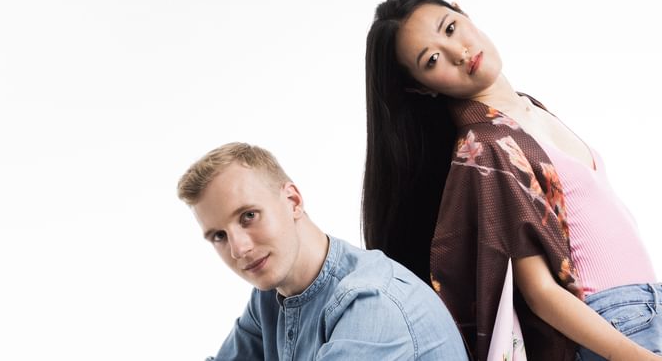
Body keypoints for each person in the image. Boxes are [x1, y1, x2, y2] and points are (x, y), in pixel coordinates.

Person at [363, 0, 662, 361]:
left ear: (462, 11)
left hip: (643, 311)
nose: (458, 52)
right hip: (610, 323)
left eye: (450, 28)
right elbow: (541, 293)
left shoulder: (528, 110)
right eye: (432, 60)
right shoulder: (487, 147)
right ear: (421, 86)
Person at [178, 142, 468, 360]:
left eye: (249, 216)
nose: (239, 249)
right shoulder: (269, 298)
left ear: (293, 201)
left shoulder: (371, 304)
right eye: (219, 236)